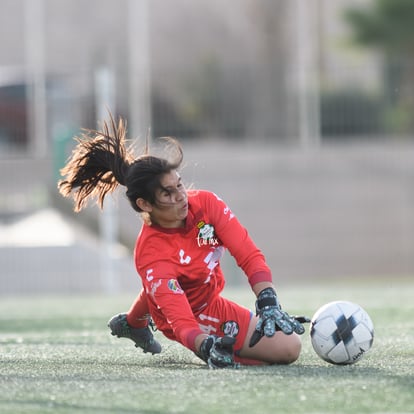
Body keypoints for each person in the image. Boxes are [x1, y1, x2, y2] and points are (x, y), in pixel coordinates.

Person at [58, 114, 309, 368]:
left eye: (179, 185)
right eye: (168, 193)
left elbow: (247, 252)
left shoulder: (206, 204)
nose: (181, 197)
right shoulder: (152, 254)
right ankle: (142, 322)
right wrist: (206, 346)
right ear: (145, 204)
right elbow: (181, 323)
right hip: (194, 311)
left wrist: (267, 299)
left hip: (204, 292)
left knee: (175, 275)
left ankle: (133, 323)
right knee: (288, 349)